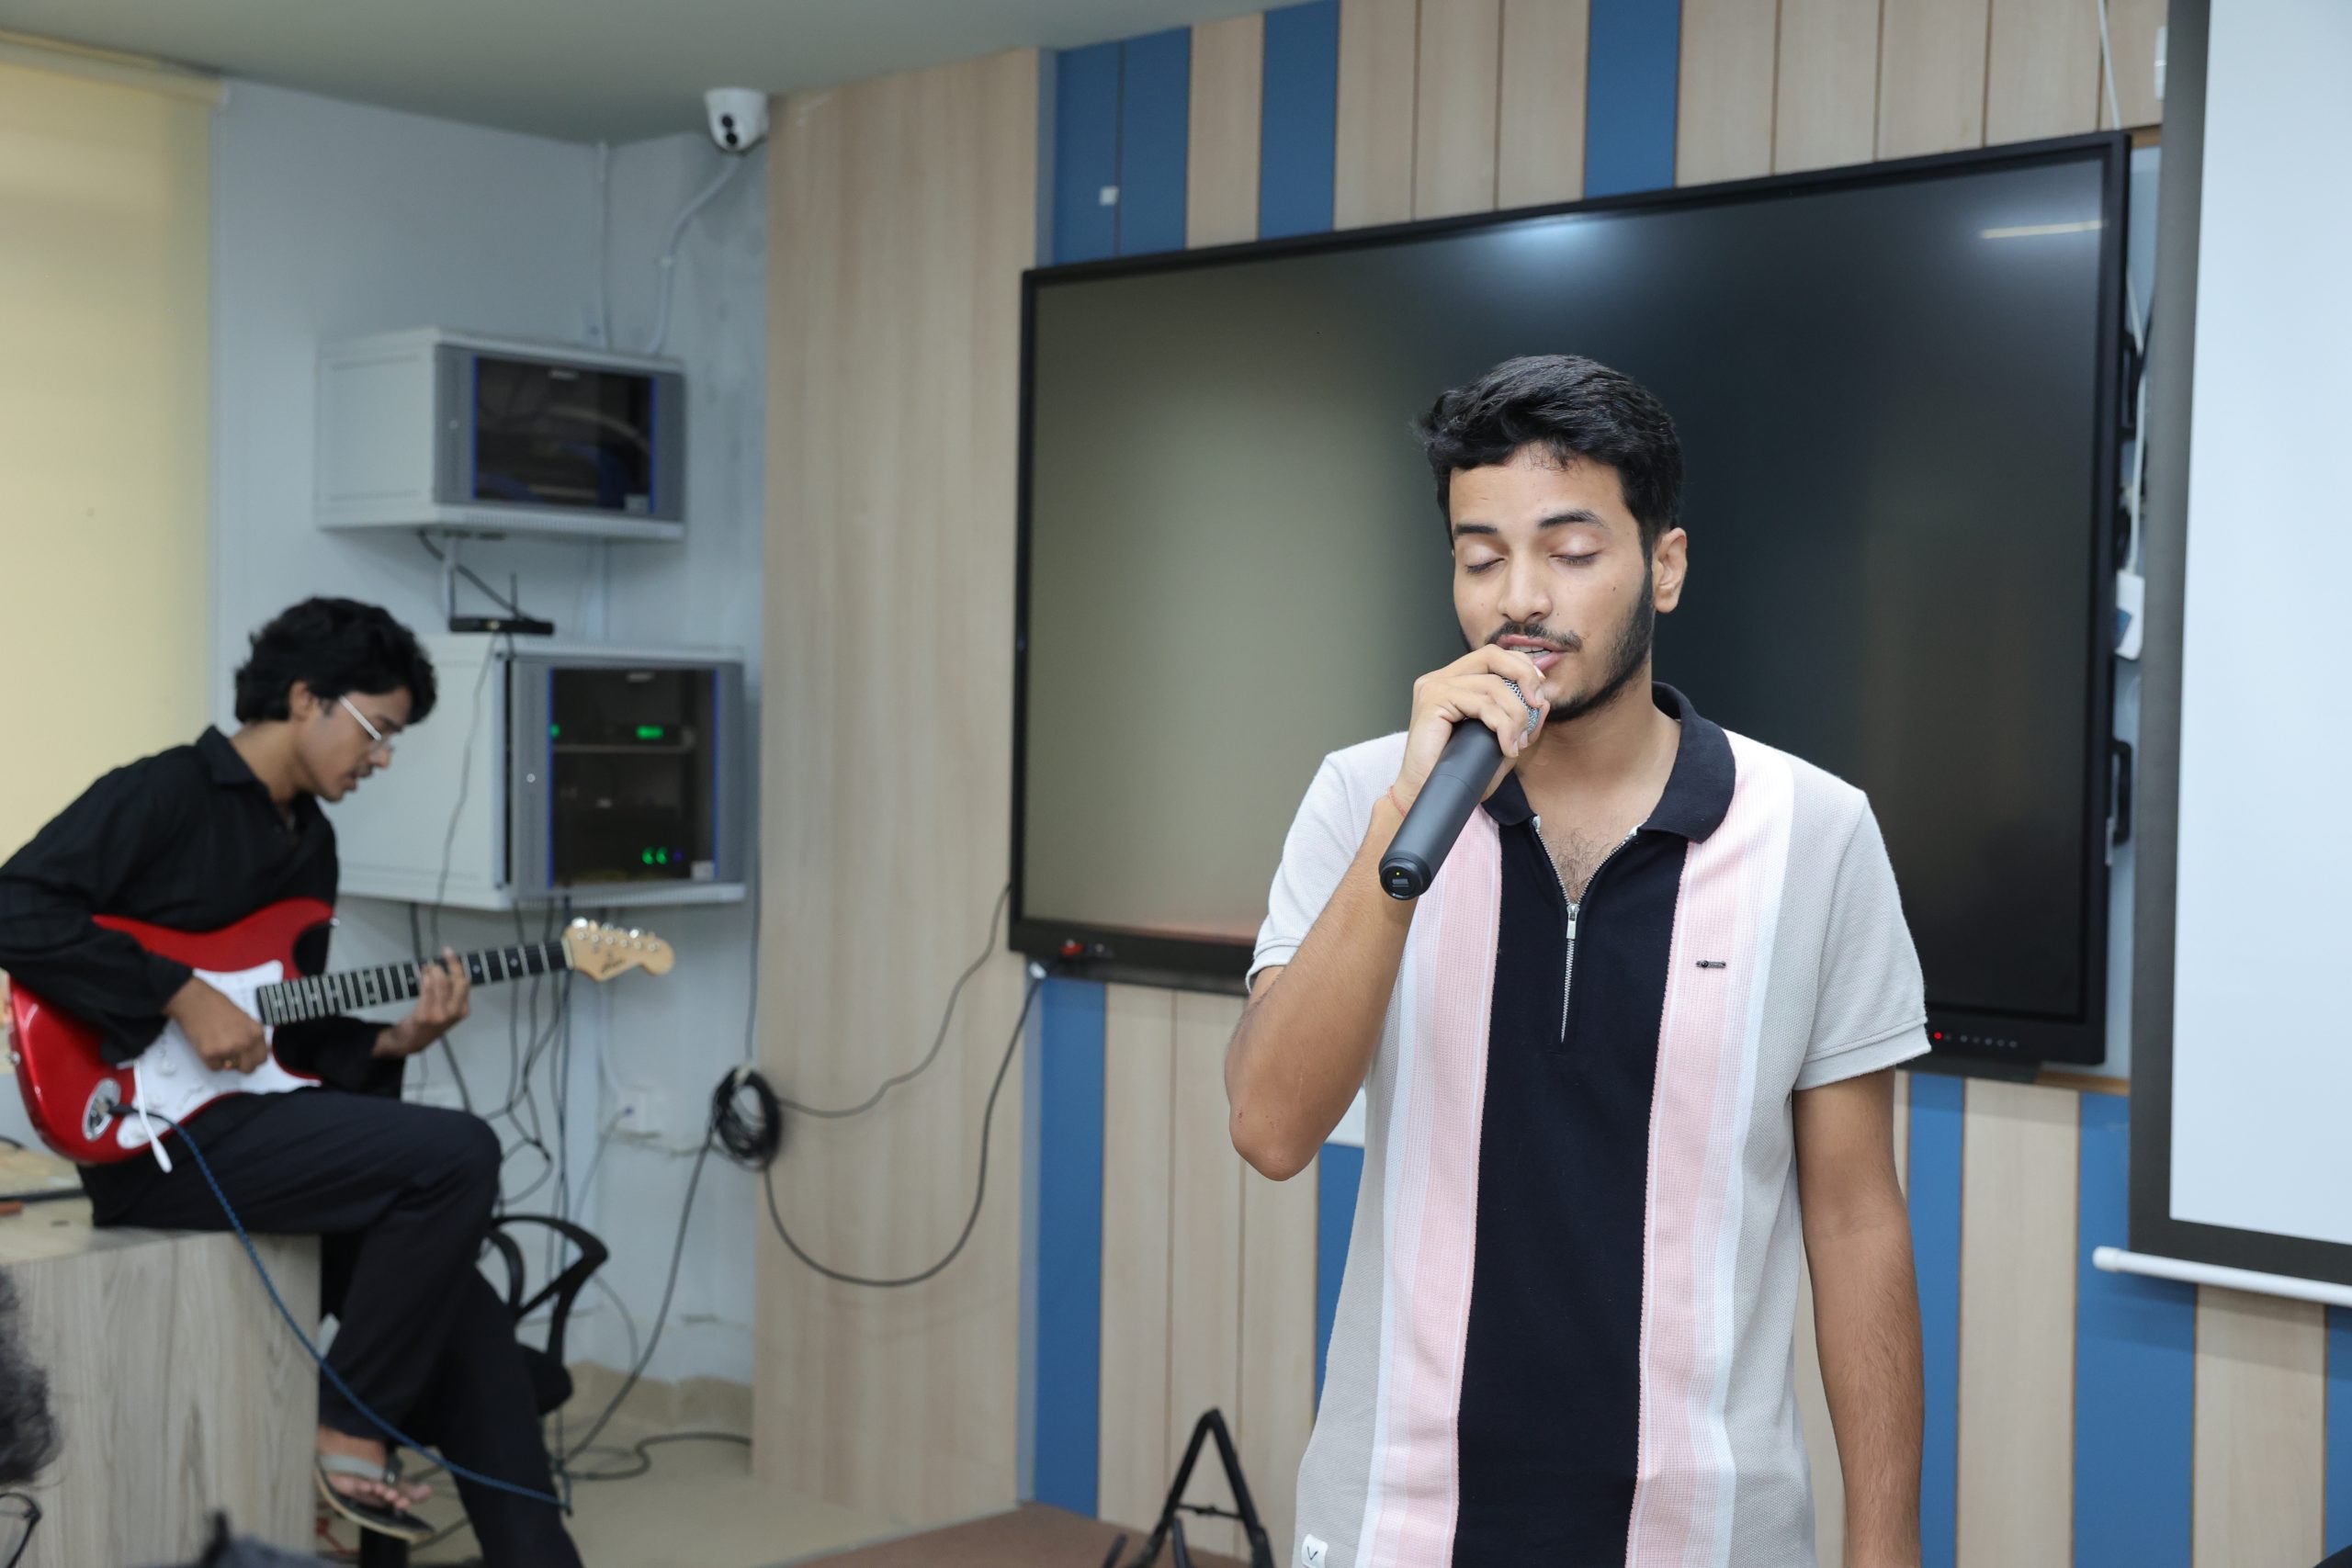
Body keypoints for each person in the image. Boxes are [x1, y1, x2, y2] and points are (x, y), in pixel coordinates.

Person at [1227, 355, 1927, 1567]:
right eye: (1480, 556)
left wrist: (1885, 1546)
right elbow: (1271, 1127)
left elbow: (1857, 1215)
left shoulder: (1814, 831)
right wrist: (1404, 820)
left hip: (1702, 1531)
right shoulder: (1365, 798)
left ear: (1665, 564)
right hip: (1405, 1521)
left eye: (1570, 549)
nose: (1521, 598)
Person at [0, 598, 580, 1564]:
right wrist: (176, 990)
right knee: (460, 1154)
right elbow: (14, 907)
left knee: (473, 1333)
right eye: (377, 729)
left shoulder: (312, 843)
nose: (381, 758)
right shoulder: (162, 792)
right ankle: (346, 1425)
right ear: (308, 698)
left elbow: (287, 1039)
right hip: (155, 1144)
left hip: (260, 1130)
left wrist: (391, 1041)